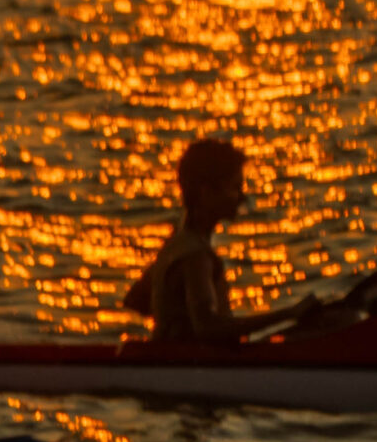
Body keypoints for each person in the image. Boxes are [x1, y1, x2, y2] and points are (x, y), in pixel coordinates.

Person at [123, 137, 319, 345]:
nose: (242, 197)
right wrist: (289, 313)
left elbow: (136, 300)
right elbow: (208, 328)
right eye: (234, 188)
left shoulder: (176, 243)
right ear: (206, 193)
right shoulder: (196, 255)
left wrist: (176, 318)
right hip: (194, 370)